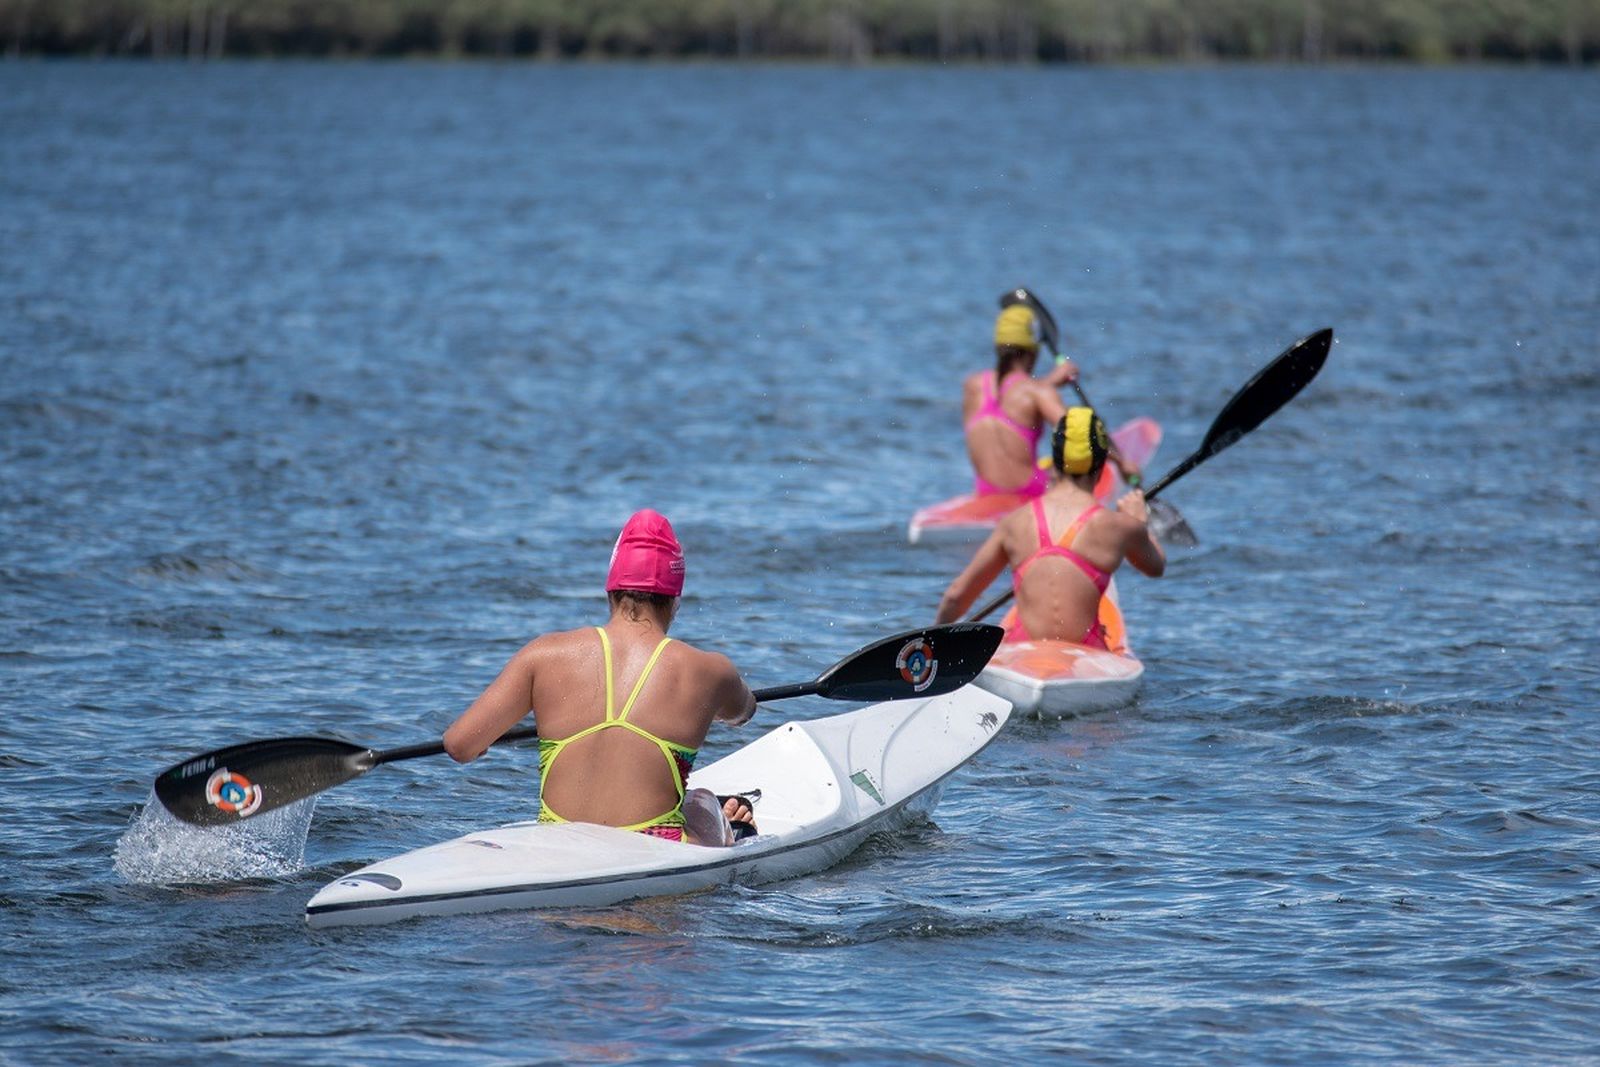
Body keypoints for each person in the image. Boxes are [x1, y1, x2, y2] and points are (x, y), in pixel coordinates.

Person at [443, 509, 758, 845]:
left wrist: (481, 745)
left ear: (611, 590)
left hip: (559, 841)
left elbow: (459, 745)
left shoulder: (543, 654)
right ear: (675, 599)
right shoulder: (709, 669)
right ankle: (730, 828)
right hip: (657, 843)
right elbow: (743, 712)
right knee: (703, 800)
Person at [936, 408, 1165, 646]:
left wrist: (933, 647)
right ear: (1101, 466)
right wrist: (1139, 522)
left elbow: (956, 597)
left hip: (1023, 651)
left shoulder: (1015, 522)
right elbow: (1155, 567)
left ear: (1055, 462)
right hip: (1086, 650)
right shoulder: (1119, 527)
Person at [963, 304, 1139, 498]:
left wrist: (1049, 382)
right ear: (1034, 352)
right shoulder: (1039, 393)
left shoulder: (973, 386)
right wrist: (1122, 463)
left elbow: (1007, 402)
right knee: (1062, 467)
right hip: (1028, 492)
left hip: (985, 492)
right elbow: (1079, 434)